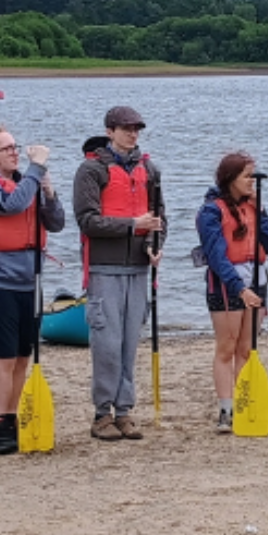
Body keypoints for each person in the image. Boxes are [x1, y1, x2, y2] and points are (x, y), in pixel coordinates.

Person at [0, 126, 65, 455]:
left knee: (22, 356)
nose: (14, 152)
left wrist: (48, 193)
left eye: (15, 147)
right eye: (6, 148)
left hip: (28, 281)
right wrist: (36, 171)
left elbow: (57, 222)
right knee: (3, 357)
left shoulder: (27, 183)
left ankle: (15, 415)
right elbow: (11, 206)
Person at [72, 105, 164, 442]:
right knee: (107, 344)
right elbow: (87, 221)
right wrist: (131, 225)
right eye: (125, 128)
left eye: (136, 128)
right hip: (103, 268)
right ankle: (102, 413)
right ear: (110, 131)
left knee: (128, 343)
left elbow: (158, 217)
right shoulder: (91, 170)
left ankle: (124, 411)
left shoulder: (149, 170)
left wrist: (155, 243)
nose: (132, 133)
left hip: (138, 269)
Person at [197, 153, 268, 433]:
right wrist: (238, 288)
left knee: (247, 347)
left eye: (253, 175)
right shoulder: (211, 211)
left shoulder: (253, 206)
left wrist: (262, 212)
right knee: (227, 347)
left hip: (257, 278)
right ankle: (226, 409)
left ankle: (244, 403)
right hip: (226, 282)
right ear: (230, 179)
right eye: (247, 176)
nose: (252, 181)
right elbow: (216, 256)